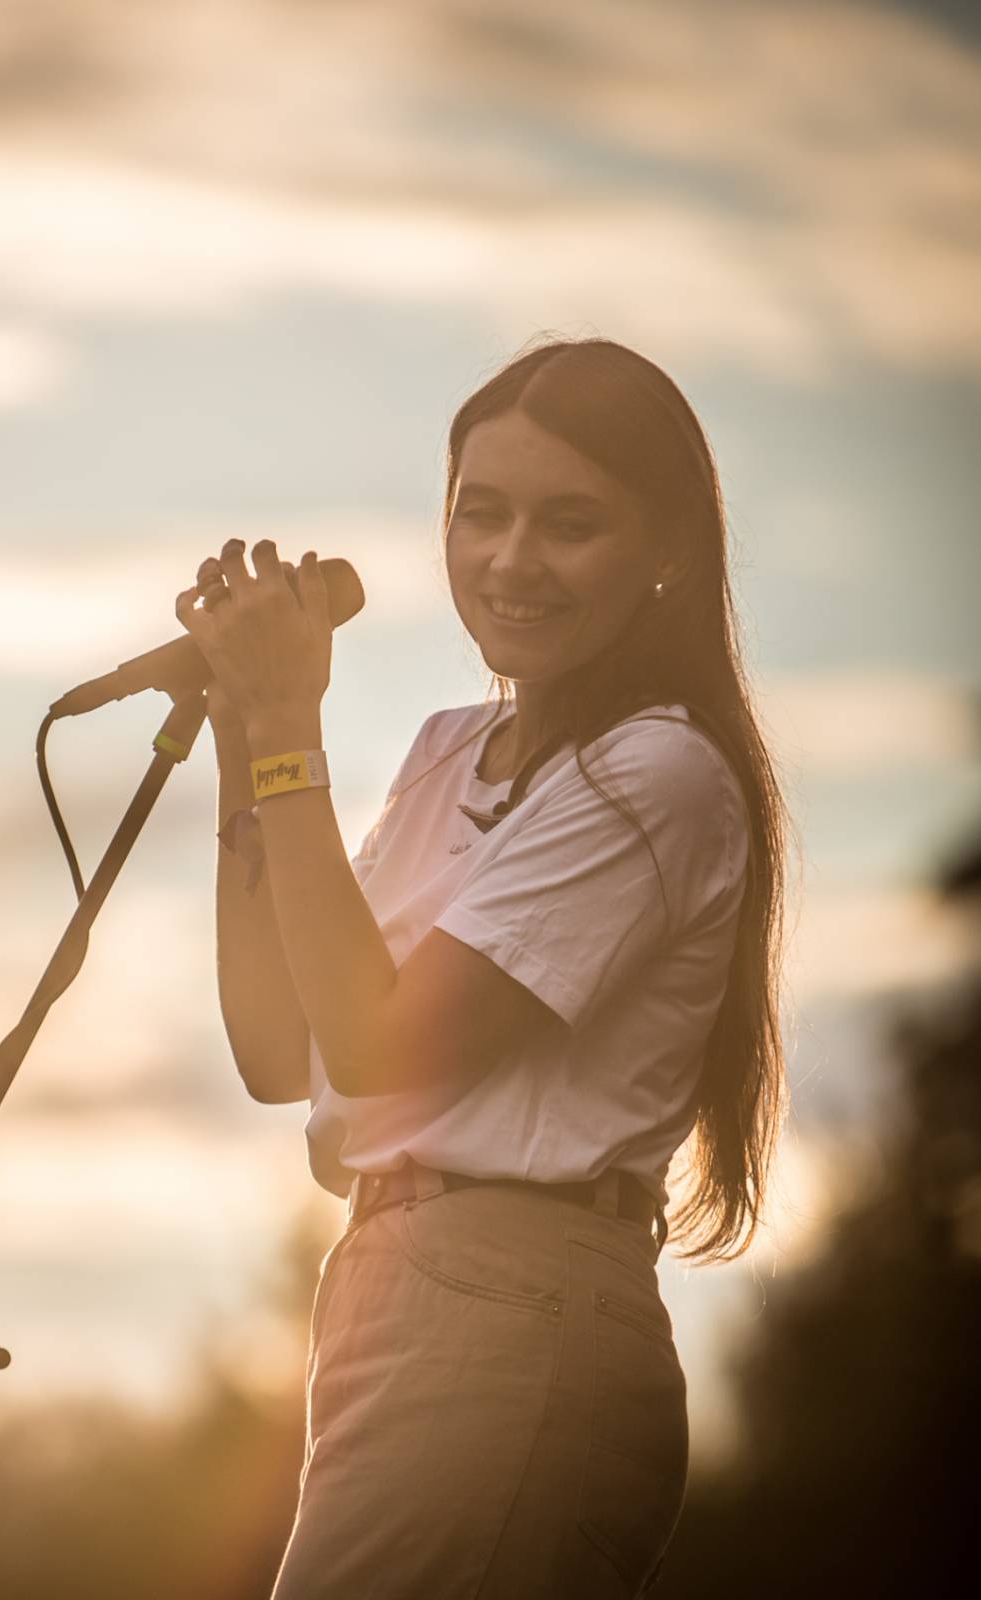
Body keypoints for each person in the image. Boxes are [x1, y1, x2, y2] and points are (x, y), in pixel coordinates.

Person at [173, 335, 791, 1599]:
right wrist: (246, 746)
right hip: (394, 1292)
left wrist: (294, 728)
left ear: (667, 548)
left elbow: (378, 1044)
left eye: (571, 523)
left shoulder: (656, 774)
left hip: (515, 1308)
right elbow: (274, 1051)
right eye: (481, 514)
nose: (512, 560)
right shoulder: (452, 749)